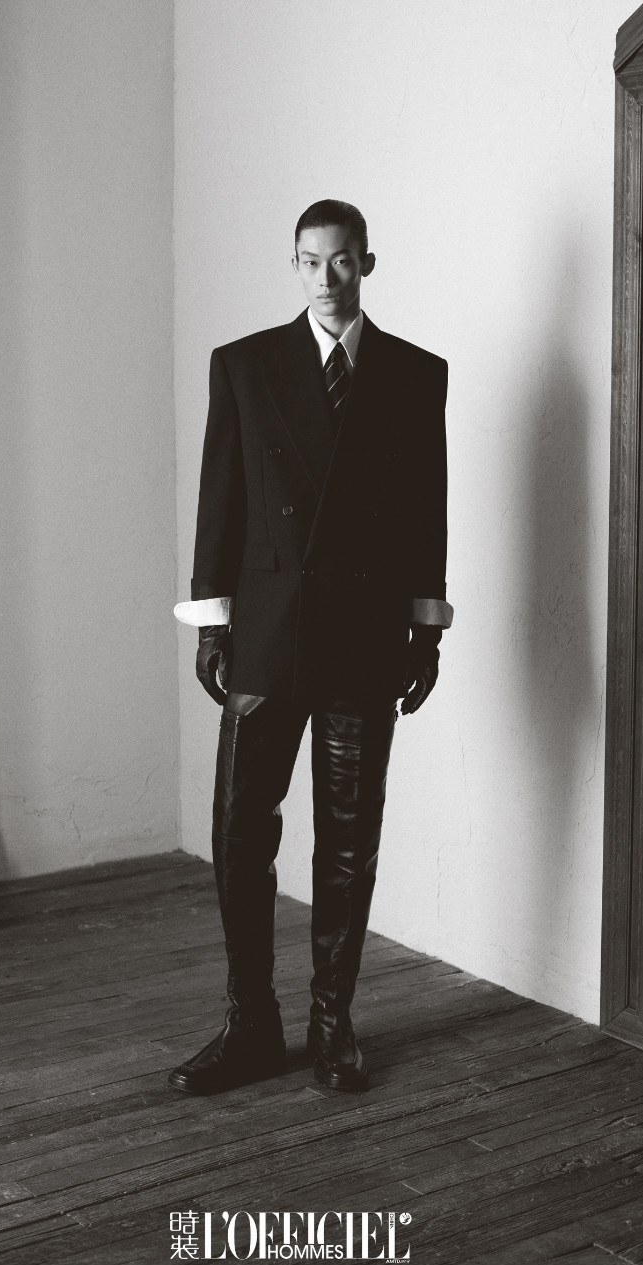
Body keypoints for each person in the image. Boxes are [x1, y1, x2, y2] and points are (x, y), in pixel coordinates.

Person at [169, 199, 452, 1094]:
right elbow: (221, 499)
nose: (325, 278)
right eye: (309, 260)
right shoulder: (245, 366)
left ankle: (333, 1024)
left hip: (364, 636)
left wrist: (425, 628)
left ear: (367, 261)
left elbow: (426, 512)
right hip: (268, 631)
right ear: (293, 265)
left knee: (348, 840)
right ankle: (251, 1023)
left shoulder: (415, 374)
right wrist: (214, 622)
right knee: (238, 830)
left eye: (341, 260)